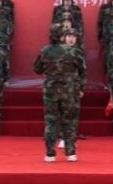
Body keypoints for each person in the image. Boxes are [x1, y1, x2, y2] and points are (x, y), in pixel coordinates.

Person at [34, 28, 84, 163]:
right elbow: (82, 70)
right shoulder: (74, 51)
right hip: (69, 91)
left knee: (51, 122)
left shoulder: (44, 51)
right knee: (69, 121)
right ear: (62, 37)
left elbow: (37, 69)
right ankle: (70, 153)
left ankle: (50, 153)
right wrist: (80, 87)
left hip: (51, 91)